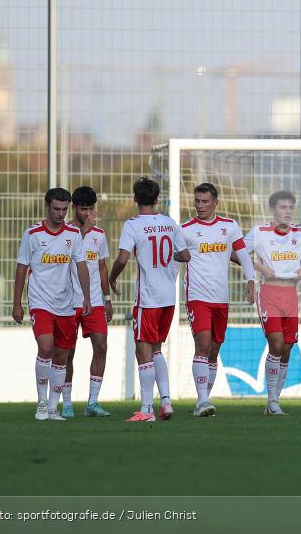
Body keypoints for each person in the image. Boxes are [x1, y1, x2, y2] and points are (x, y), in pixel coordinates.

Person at [108, 177, 190, 422]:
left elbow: (122, 259)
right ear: (156, 199)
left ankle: (146, 409)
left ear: (135, 199)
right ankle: (166, 402)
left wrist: (112, 279)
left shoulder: (132, 225)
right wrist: (163, 257)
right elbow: (185, 255)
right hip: (168, 296)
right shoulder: (169, 222)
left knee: (143, 351)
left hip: (148, 298)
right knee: (156, 350)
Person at [12, 188, 91, 421]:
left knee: (61, 355)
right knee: (45, 347)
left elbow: (82, 266)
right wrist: (17, 303)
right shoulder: (33, 234)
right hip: (40, 301)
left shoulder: (73, 235)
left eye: (65, 209)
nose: (61, 213)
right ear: (47, 206)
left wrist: (86, 298)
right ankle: (42, 402)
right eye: (56, 209)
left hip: (66, 303)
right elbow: (21, 268)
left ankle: (54, 409)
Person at [244, 190, 301, 415]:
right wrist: (260, 268)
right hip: (269, 293)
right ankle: (271, 400)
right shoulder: (259, 232)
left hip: (291, 295)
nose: (287, 211)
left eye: (290, 207)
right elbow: (236, 252)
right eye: (283, 207)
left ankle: (275, 400)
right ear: (272, 209)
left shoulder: (299, 233)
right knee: (277, 345)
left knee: (287, 349)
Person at [180, 182, 255, 417]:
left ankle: (204, 399)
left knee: (214, 349)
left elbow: (243, 254)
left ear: (215, 203)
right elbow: (174, 260)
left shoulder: (229, 226)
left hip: (221, 298)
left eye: (204, 201)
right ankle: (202, 401)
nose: (200, 206)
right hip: (197, 297)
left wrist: (251, 280)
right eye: (197, 201)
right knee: (202, 345)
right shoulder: (185, 229)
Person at [62, 186, 113, 418]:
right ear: (74, 208)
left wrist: (108, 298)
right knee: (67, 352)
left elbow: (101, 267)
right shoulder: (64, 232)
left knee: (101, 346)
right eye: (84, 209)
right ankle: (67, 403)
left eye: (91, 209)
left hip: (94, 302)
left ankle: (92, 402)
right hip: (68, 301)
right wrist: (85, 229)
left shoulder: (99, 234)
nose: (88, 213)